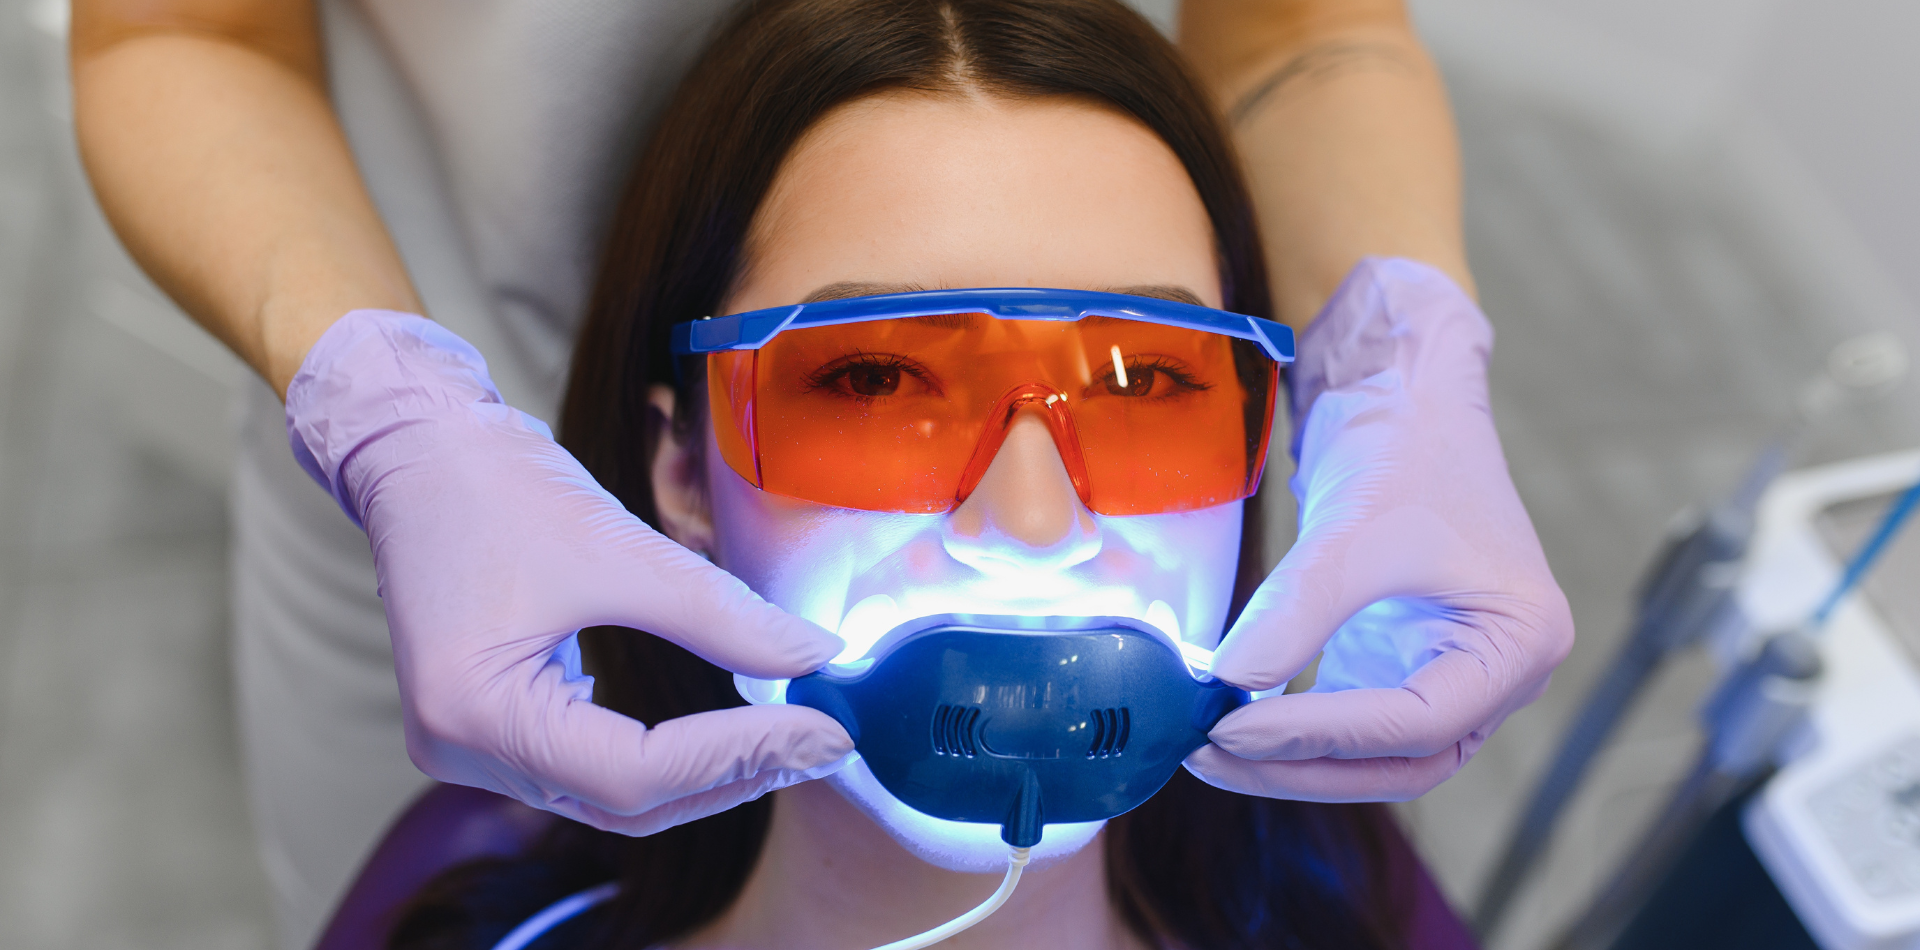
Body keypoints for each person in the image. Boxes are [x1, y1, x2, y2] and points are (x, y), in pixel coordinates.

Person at [69, 0, 1572, 945]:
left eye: (1143, 382)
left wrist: (1409, 353)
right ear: (678, 465)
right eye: (872, 382)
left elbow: (1301, 31)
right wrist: (393, 412)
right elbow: (180, 30)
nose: (1030, 526)